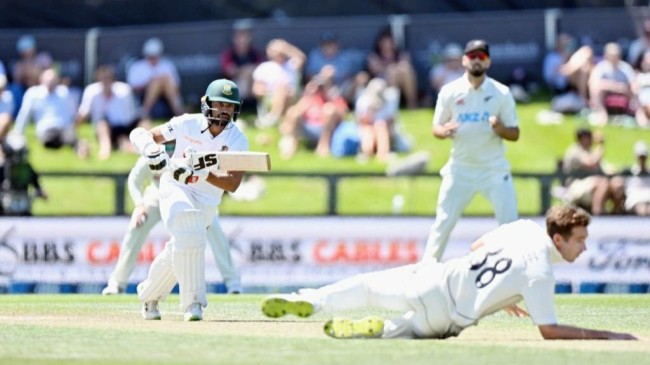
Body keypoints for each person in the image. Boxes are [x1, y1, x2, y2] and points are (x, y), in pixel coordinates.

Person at [260, 204, 637, 341]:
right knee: (409, 332)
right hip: (448, 315)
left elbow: (478, 249)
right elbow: (549, 330)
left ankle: (309, 299)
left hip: (434, 278)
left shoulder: (523, 228)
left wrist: (502, 287)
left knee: (365, 286)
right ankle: (380, 331)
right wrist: (610, 335)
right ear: (559, 237)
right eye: (580, 239)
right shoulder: (540, 273)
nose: (584, 246)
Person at [129, 78, 248, 321]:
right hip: (175, 186)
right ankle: (193, 304)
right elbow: (143, 134)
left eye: (229, 106)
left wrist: (202, 173)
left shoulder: (238, 139)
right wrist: (150, 150)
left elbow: (233, 184)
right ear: (207, 103)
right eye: (220, 104)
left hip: (208, 202)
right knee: (189, 228)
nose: (224, 110)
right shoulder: (186, 123)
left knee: (182, 246)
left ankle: (149, 295)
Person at [101, 143, 242, 295]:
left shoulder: (193, 150)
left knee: (214, 227)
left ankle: (233, 284)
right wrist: (139, 205)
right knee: (137, 226)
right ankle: (117, 283)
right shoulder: (155, 152)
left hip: (189, 197)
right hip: (157, 197)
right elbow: (135, 179)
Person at [423, 39, 520, 260]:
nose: (477, 60)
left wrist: (500, 128)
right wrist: (444, 131)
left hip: (494, 169)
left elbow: (515, 133)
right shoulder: (450, 91)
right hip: (460, 169)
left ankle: (517, 273)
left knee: (510, 226)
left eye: (482, 57)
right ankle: (426, 272)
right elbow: (436, 127)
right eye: (472, 56)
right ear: (464, 60)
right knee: (442, 224)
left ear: (488, 62)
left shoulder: (501, 93)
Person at [12, 68, 88, 158]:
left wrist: (72, 128)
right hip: (45, 129)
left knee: (71, 138)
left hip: (63, 128)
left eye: (53, 81)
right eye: (48, 81)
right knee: (49, 141)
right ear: (42, 80)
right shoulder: (33, 94)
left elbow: (72, 113)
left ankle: (81, 149)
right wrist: (18, 132)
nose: (51, 83)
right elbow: (24, 114)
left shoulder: (64, 93)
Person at [76, 65, 145, 160]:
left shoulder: (124, 90)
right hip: (105, 129)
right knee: (102, 124)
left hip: (125, 126)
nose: (106, 81)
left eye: (108, 78)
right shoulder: (91, 91)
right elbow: (83, 113)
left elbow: (132, 115)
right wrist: (74, 130)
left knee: (144, 121)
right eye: (103, 79)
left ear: (113, 79)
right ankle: (105, 150)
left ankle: (148, 145)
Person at [278, 66, 348, 159]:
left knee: (329, 110)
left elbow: (343, 114)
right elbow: (294, 112)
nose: (320, 88)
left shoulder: (334, 96)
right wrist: (308, 94)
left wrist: (329, 97)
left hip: (326, 129)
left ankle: (323, 146)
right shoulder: (310, 96)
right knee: (294, 112)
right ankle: (292, 144)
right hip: (308, 128)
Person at [562, 128, 625, 215]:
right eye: (589, 137)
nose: (591, 139)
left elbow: (604, 168)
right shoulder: (574, 151)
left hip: (591, 184)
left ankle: (617, 216)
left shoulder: (590, 151)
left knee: (616, 184)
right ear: (582, 138)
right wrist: (600, 144)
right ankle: (598, 215)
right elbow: (592, 163)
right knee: (602, 183)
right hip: (575, 187)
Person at [252, 38, 306, 128]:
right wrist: (269, 92)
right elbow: (256, 90)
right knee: (282, 87)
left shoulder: (291, 65)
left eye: (281, 51)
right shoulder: (264, 67)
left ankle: (274, 119)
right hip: (271, 97)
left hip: (293, 96)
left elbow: (301, 58)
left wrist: (285, 47)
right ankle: (275, 117)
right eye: (275, 51)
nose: (279, 54)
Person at [127, 37, 184, 120]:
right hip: (143, 94)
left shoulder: (167, 65)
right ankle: (145, 112)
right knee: (157, 82)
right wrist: (151, 82)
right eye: (150, 56)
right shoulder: (137, 66)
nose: (153, 58)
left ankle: (177, 111)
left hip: (167, 94)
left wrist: (161, 82)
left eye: (155, 56)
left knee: (163, 80)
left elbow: (176, 85)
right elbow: (132, 87)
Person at [306, 31, 366, 106]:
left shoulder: (345, 57)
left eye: (331, 44)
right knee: (311, 87)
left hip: (341, 86)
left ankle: (345, 106)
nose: (329, 48)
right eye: (326, 45)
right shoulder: (315, 55)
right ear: (321, 46)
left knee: (358, 80)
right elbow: (309, 76)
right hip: (320, 86)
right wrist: (323, 76)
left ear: (338, 45)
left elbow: (349, 75)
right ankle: (314, 109)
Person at [366, 27, 418, 109]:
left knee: (406, 71)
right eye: (385, 42)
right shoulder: (374, 56)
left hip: (401, 81)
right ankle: (392, 106)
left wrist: (394, 68)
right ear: (379, 43)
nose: (387, 44)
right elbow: (375, 69)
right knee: (392, 72)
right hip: (381, 83)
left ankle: (412, 104)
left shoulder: (401, 54)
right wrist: (390, 68)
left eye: (390, 41)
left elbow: (406, 64)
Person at [587, 42, 635, 126]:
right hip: (605, 94)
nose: (614, 57)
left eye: (616, 55)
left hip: (624, 94)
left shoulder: (625, 68)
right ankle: (602, 114)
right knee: (597, 89)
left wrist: (625, 88)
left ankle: (637, 114)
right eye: (611, 55)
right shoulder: (601, 67)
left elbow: (634, 83)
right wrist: (613, 86)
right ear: (606, 55)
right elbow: (592, 82)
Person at [219, 19, 264, 106]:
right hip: (233, 88)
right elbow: (230, 71)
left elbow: (261, 69)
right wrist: (247, 70)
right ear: (234, 38)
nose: (243, 39)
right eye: (239, 36)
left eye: (245, 36)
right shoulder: (228, 54)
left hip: (252, 86)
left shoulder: (255, 53)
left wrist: (249, 71)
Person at [354, 77, 398, 162]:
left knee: (380, 125)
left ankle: (383, 154)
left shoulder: (389, 101)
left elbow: (391, 122)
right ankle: (366, 153)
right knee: (368, 131)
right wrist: (371, 111)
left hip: (386, 132)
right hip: (367, 131)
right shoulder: (363, 101)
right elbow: (361, 122)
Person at [9, 34, 53, 116]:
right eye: (24, 50)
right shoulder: (18, 65)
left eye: (29, 49)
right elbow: (17, 80)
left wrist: (32, 71)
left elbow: (49, 75)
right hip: (26, 92)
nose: (27, 52)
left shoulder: (44, 57)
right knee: (15, 89)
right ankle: (17, 115)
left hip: (43, 89)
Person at [623, 141, 650, 216]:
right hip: (635, 202)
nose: (642, 160)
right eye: (640, 157)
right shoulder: (629, 172)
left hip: (648, 200)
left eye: (643, 157)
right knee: (642, 210)